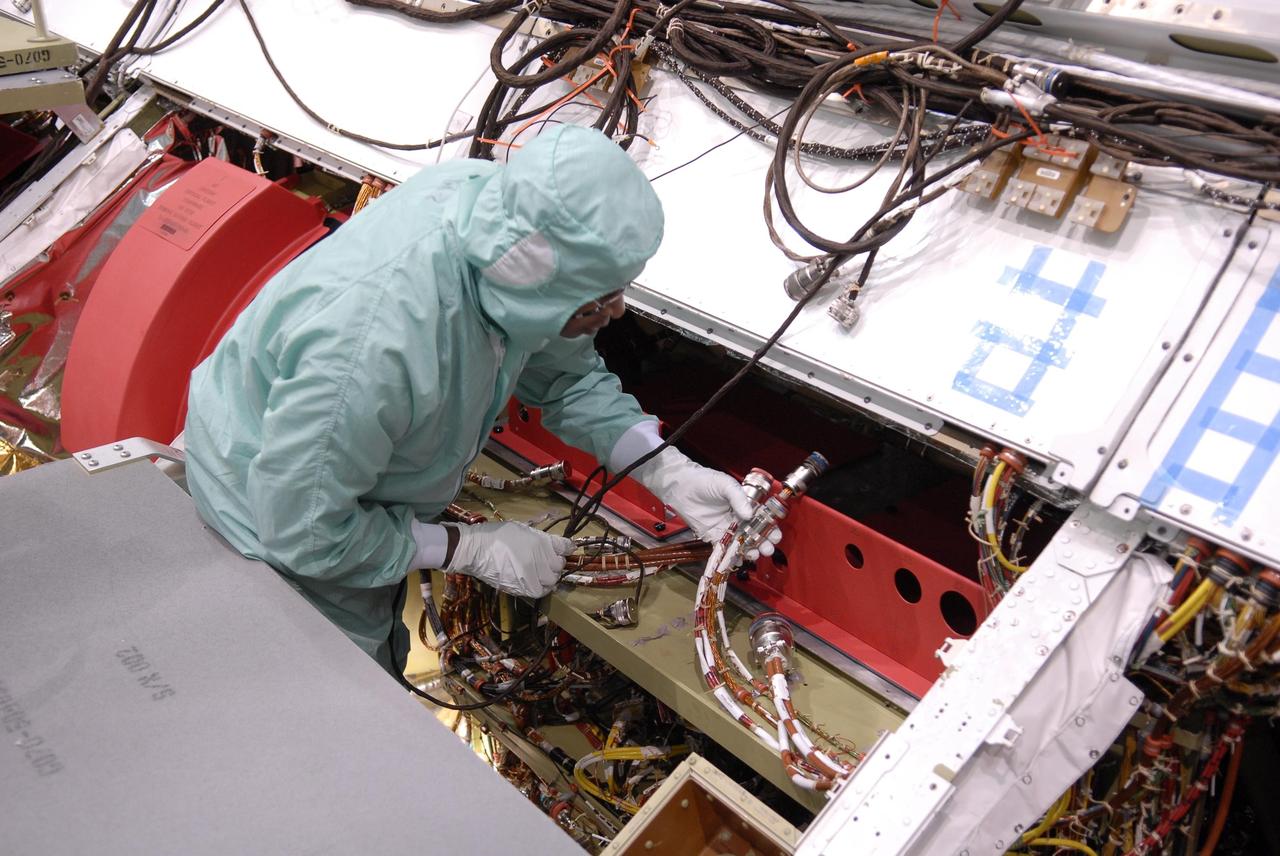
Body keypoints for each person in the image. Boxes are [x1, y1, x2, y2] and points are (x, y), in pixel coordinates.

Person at [183, 126, 769, 672]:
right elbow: (303, 532)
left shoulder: (500, 227)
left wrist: (666, 469)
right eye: (604, 296)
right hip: (264, 523)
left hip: (324, 488)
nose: (616, 311)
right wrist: (465, 548)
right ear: (545, 284)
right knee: (335, 706)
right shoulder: (370, 354)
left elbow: (566, 373)